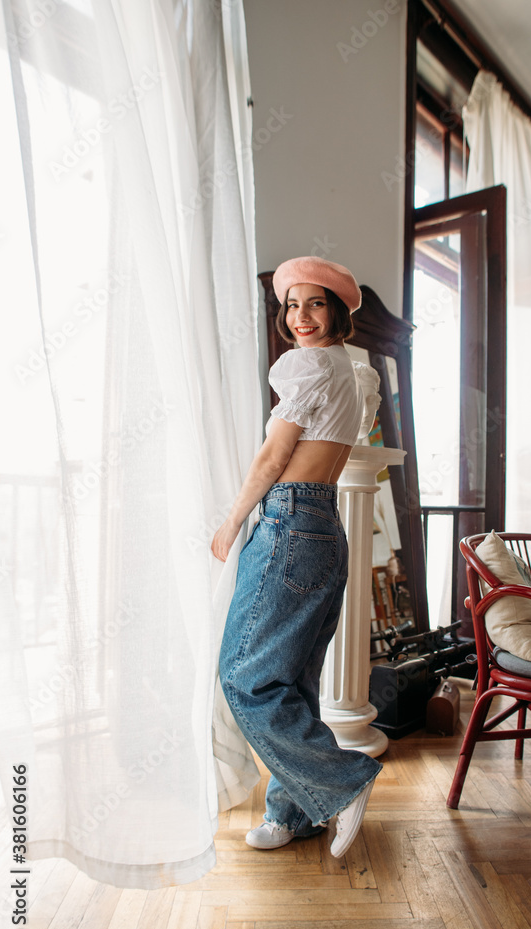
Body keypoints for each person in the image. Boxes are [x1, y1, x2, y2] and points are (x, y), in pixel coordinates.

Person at [211, 257, 383, 857]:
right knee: (292, 678)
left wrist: (232, 521)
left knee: (244, 677)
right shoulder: (347, 367)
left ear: (336, 311)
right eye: (291, 305)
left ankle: (342, 781)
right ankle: (293, 812)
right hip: (323, 524)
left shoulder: (309, 365)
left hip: (289, 519)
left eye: (315, 304)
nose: (301, 317)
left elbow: (272, 458)